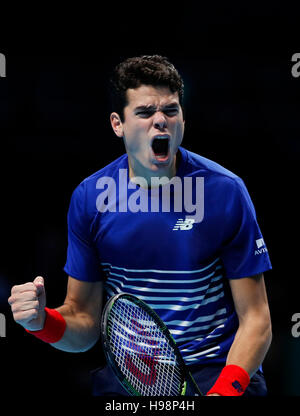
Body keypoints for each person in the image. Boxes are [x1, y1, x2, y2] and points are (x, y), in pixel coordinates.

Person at [8, 55, 272, 396]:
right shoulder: (92, 198)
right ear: (118, 124)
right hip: (131, 379)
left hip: (217, 373)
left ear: (183, 120)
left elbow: (256, 319)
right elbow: (85, 324)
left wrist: (226, 390)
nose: (160, 121)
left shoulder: (224, 191)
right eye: (145, 112)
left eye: (171, 111)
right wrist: (41, 322)